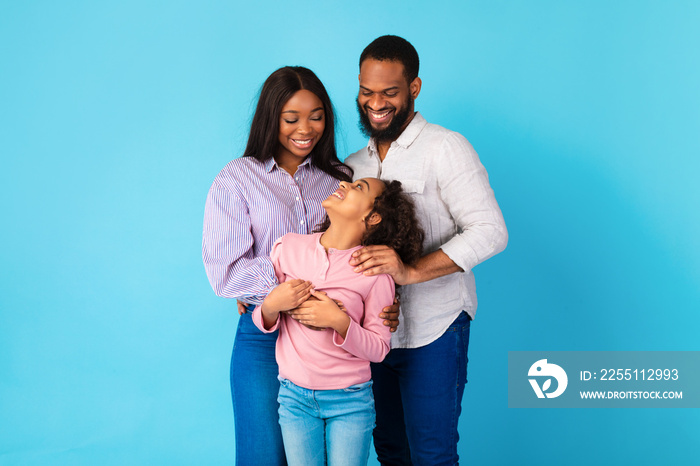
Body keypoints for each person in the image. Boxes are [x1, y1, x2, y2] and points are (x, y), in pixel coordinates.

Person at [202, 66, 398, 466]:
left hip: (333, 346)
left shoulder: (338, 178)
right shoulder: (236, 179)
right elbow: (225, 272)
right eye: (291, 119)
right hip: (264, 334)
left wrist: (384, 303)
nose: (305, 129)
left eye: (317, 116)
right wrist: (274, 294)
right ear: (270, 119)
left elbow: (361, 246)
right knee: (262, 456)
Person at [344, 35, 509, 465]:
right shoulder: (351, 166)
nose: (375, 103)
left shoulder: (445, 148)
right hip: (373, 336)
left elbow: (490, 231)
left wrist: (410, 272)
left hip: (435, 330)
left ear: (414, 88)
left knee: (433, 455)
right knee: (391, 452)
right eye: (366, 91)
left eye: (389, 93)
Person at [252, 178, 424, 466]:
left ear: (373, 217)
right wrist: (271, 304)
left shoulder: (376, 274)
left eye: (359, 188)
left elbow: (379, 349)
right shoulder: (287, 247)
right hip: (294, 399)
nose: (345, 183)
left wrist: (339, 321)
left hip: (351, 402)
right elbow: (264, 319)